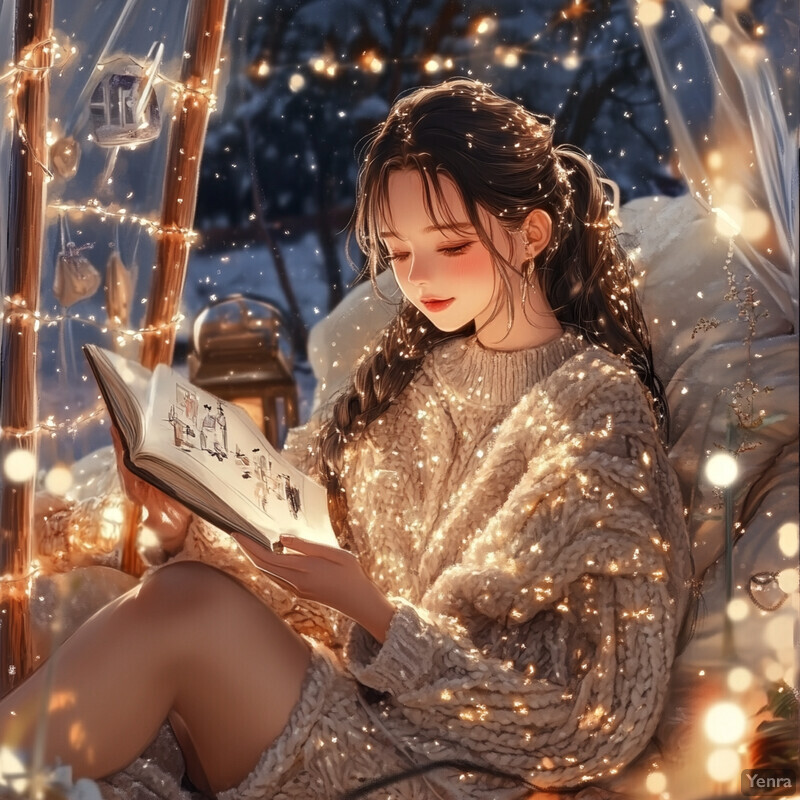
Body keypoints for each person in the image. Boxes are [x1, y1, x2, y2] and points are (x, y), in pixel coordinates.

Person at [0, 79, 692, 800]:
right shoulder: (404, 382)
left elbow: (595, 721)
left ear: (532, 233)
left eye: (450, 244)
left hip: (448, 772)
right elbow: (296, 562)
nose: (419, 278)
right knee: (183, 588)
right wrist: (186, 529)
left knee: (186, 609)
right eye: (397, 251)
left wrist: (376, 613)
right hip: (338, 707)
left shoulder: (599, 414)